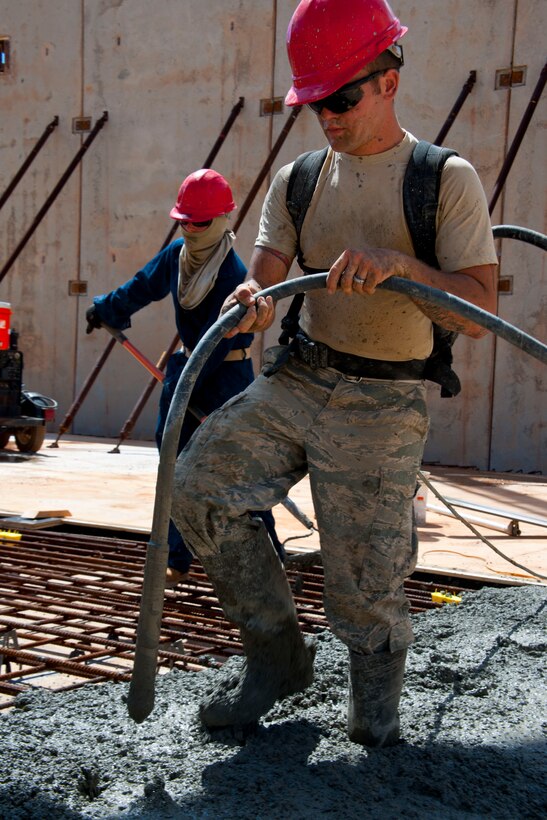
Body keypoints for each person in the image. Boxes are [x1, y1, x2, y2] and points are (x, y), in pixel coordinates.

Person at [171, 0, 498, 747]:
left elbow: (478, 308)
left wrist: (403, 269)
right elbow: (260, 279)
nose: (327, 116)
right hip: (299, 378)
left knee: (365, 574)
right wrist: (249, 300)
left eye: (341, 97)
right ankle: (277, 658)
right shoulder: (300, 179)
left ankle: (373, 713)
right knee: (199, 489)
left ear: (389, 79)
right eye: (314, 102)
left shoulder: (442, 180)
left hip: (383, 397)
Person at [85, 168, 284, 587]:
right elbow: (142, 286)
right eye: (184, 221)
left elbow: (217, 342)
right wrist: (106, 309)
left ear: (224, 220)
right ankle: (176, 558)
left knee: (239, 469)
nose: (191, 230)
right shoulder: (177, 257)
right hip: (189, 366)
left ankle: (272, 561)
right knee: (174, 465)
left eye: (200, 222)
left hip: (226, 375)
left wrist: (185, 387)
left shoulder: (234, 278)